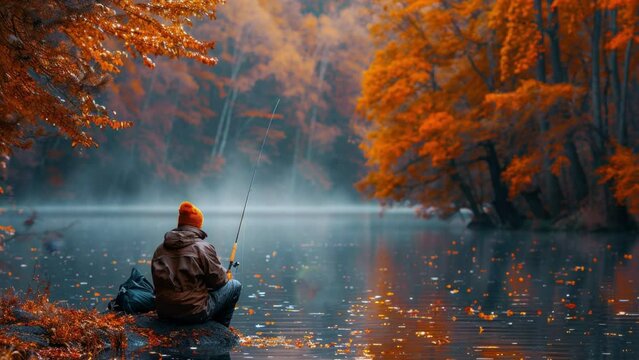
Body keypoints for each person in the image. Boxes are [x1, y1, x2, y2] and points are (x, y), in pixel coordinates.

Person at [152, 201, 241, 327]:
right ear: (197, 226)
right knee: (235, 286)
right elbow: (218, 281)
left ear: (180, 223)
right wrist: (226, 277)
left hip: (164, 312)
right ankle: (221, 328)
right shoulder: (203, 248)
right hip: (194, 312)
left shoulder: (159, 249)